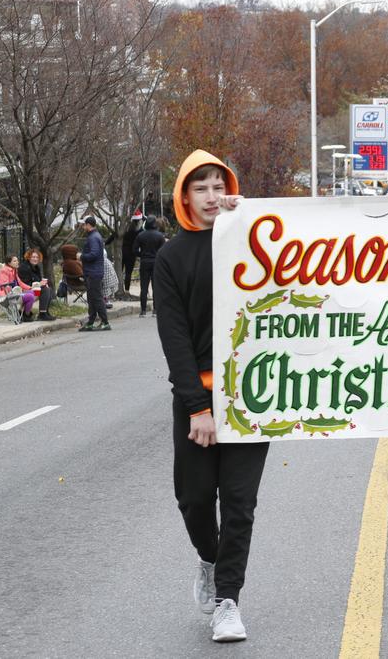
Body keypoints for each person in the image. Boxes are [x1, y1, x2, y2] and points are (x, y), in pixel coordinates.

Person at [153, 149, 269, 643]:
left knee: (239, 504)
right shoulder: (171, 257)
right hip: (198, 398)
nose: (210, 195)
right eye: (199, 187)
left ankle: (228, 601)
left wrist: (253, 221)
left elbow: (298, 275)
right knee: (196, 500)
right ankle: (208, 558)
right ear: (184, 196)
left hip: (251, 397)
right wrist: (198, 407)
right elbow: (174, 338)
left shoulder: (251, 246)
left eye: (218, 185)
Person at [77, 215, 110, 331]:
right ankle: (91, 321)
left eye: (83, 224)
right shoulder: (94, 236)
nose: (82, 227)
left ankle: (105, 322)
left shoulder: (93, 238)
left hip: (93, 273)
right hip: (92, 272)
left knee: (96, 298)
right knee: (91, 298)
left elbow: (94, 254)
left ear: (88, 225)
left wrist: (81, 256)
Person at [134, 215, 165, 317]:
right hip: (156, 262)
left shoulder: (140, 236)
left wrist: (142, 254)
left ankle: (143, 311)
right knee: (155, 286)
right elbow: (163, 251)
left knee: (144, 287)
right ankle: (155, 310)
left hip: (144, 261)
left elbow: (134, 250)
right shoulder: (160, 236)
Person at [17, 248, 56, 321]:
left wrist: (43, 283)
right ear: (29, 257)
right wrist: (39, 284)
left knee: (48, 289)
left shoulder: (36, 267)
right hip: (24, 291)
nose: (35, 259)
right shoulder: (24, 267)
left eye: (37, 257)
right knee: (45, 290)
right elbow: (25, 284)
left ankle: (45, 312)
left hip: (33, 289)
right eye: (33, 257)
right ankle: (42, 314)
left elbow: (38, 280)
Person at [0, 254, 37, 322]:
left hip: (16, 292)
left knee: (34, 292)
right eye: (15, 261)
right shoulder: (4, 271)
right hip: (8, 294)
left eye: (17, 260)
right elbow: (5, 285)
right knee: (30, 296)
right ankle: (26, 315)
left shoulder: (14, 270)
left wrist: (30, 288)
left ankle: (21, 312)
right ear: (9, 263)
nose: (17, 262)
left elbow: (20, 283)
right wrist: (15, 291)